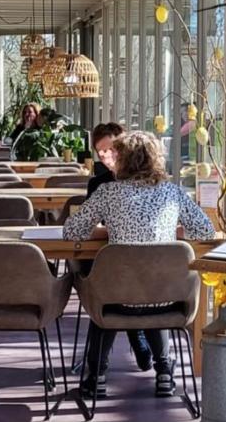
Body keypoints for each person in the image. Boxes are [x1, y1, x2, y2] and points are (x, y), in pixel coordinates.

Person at [64, 131, 215, 399]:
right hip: (167, 297)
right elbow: (205, 231)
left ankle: (96, 376)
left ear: (122, 160)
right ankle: (165, 373)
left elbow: (72, 231)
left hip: (117, 299)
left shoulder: (107, 192)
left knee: (107, 294)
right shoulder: (172, 192)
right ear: (156, 160)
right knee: (151, 287)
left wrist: (108, 231)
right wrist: (170, 231)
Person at [83, 122, 154, 375]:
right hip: (110, 263)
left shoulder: (148, 184)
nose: (106, 156)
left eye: (111, 149)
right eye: (100, 153)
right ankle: (145, 346)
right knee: (120, 282)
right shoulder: (99, 185)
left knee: (122, 288)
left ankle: (96, 375)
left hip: (135, 270)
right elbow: (87, 223)